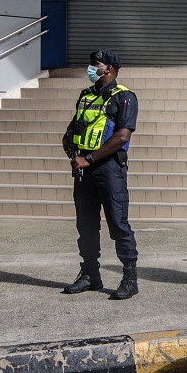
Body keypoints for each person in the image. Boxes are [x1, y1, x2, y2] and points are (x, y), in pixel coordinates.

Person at [60, 50, 140, 299]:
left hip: (109, 170)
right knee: (86, 225)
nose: (90, 68)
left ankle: (130, 278)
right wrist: (71, 151)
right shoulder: (86, 95)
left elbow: (122, 136)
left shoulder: (125, 97)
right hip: (83, 170)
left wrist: (90, 158)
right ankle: (90, 275)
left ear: (109, 69)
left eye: (95, 64)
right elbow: (73, 127)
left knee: (118, 223)